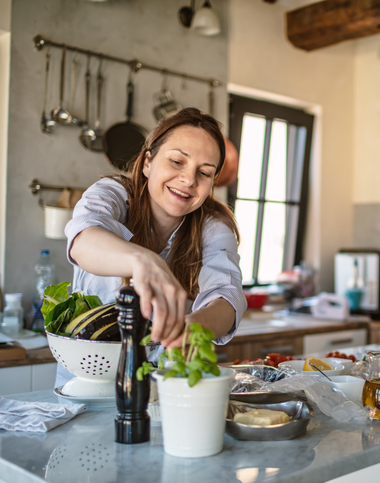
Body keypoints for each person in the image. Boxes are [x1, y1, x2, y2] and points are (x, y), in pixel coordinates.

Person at [57, 108, 246, 386]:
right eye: (177, 161)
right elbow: (83, 239)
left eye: (204, 173)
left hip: (163, 385)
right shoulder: (112, 194)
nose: (189, 180)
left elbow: (227, 297)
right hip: (87, 380)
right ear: (148, 161)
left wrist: (192, 328)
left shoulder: (213, 225)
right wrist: (144, 262)